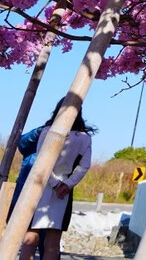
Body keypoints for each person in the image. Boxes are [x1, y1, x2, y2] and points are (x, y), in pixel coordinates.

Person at [18, 100, 95, 260]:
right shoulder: (84, 138)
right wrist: (66, 184)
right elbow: (84, 166)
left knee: (30, 237)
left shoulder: (47, 131)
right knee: (53, 242)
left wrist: (53, 182)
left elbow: (41, 160)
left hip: (40, 184)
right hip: (64, 191)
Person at [8, 125, 45, 258]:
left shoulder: (71, 139)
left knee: (46, 241)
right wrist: (42, 131)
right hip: (25, 193)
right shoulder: (40, 135)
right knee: (24, 236)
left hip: (49, 196)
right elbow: (22, 143)